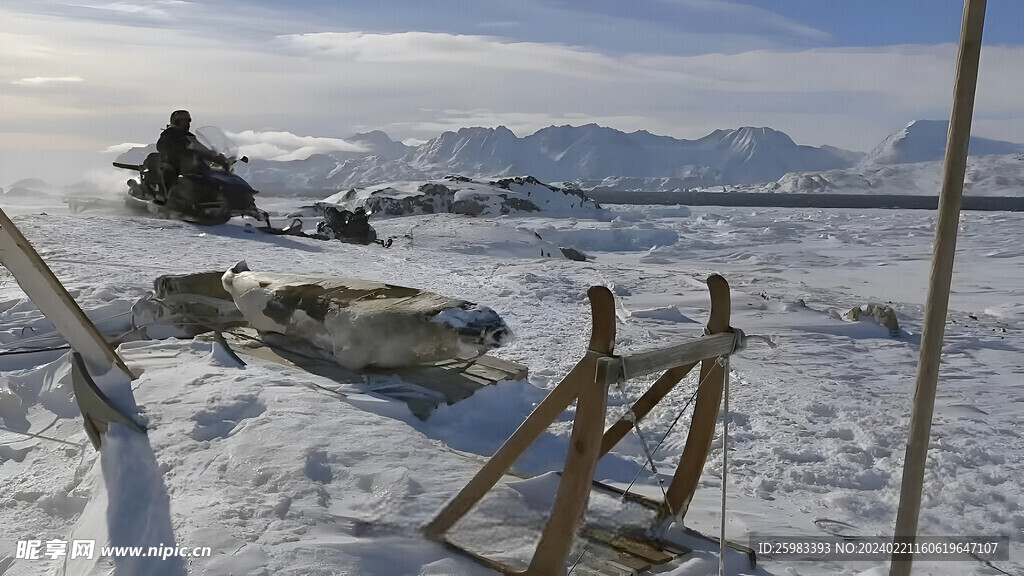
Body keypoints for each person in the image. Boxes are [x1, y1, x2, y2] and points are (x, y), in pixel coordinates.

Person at [154, 110, 226, 198]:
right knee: (169, 171)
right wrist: (177, 149)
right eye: (182, 122)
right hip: (174, 163)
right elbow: (161, 146)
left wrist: (216, 156)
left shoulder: (190, 137)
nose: (186, 124)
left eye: (187, 122)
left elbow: (201, 148)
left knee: (210, 174)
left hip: (189, 164)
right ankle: (166, 197)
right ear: (176, 122)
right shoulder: (169, 134)